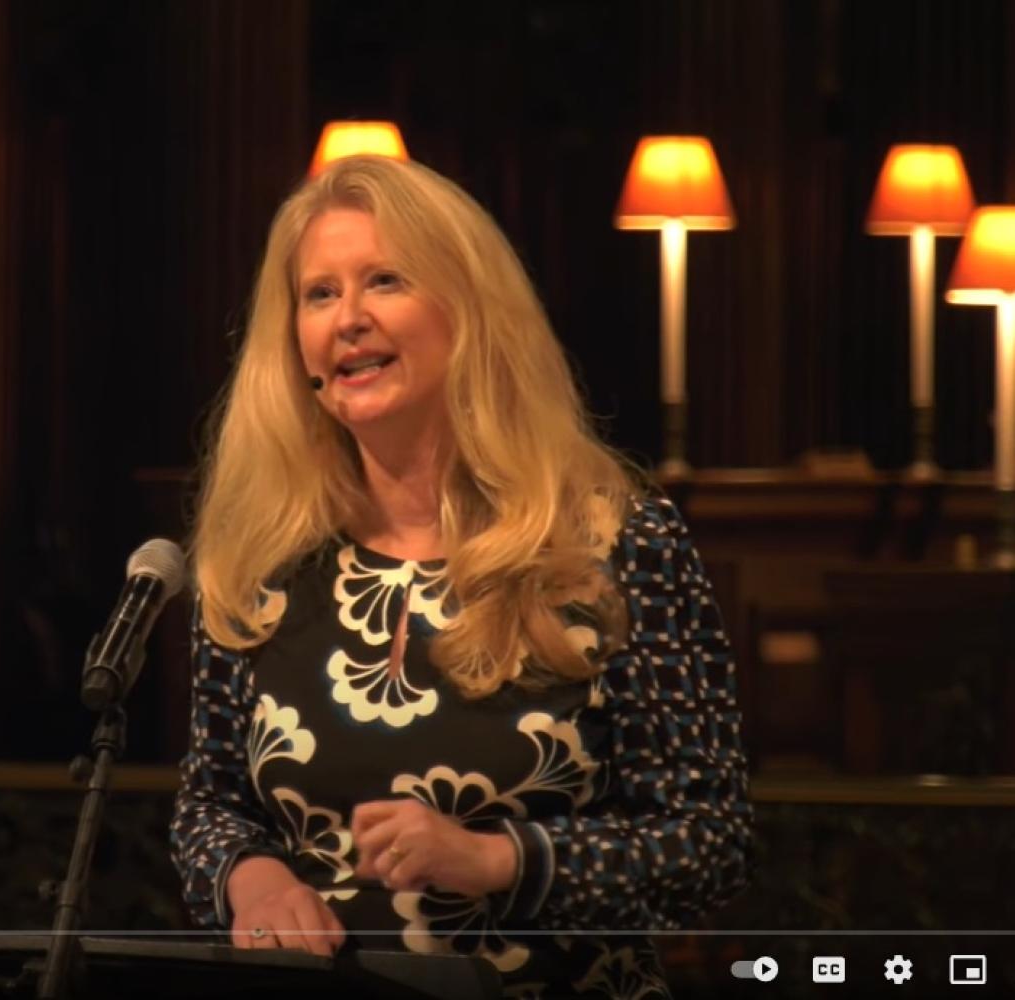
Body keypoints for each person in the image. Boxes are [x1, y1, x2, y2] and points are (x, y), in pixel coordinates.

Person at [168, 155, 752, 998]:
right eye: (320, 294)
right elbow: (211, 805)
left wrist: (496, 860)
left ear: (470, 312)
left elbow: (710, 842)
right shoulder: (261, 561)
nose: (349, 319)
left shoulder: (618, 544)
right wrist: (251, 883)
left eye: (385, 281)